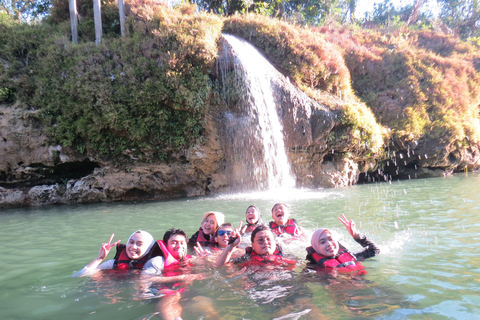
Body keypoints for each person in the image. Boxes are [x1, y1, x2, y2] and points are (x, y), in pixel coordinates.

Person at [305, 214, 380, 275]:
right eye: (322, 242)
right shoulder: (313, 267)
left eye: (331, 239)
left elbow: (375, 250)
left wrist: (357, 236)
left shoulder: (351, 257)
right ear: (316, 248)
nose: (329, 244)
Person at [72, 230, 156, 277]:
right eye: (131, 242)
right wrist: (99, 258)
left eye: (139, 244)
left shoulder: (154, 264)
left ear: (149, 248)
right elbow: (79, 275)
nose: (133, 247)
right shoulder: (113, 263)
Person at [216, 224, 296, 268]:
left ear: (275, 242)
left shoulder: (287, 258)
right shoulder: (246, 259)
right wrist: (231, 245)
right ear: (253, 246)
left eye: (268, 239)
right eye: (260, 240)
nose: (265, 242)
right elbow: (220, 266)